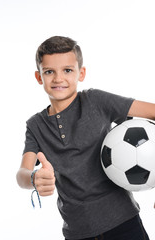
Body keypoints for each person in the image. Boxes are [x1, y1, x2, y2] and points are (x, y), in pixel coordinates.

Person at [16, 36, 155, 240]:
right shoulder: (35, 125)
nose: (58, 78)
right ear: (39, 77)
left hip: (124, 223)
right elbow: (22, 173)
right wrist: (33, 178)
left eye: (67, 70)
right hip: (78, 233)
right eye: (49, 72)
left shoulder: (96, 101)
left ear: (81, 73)